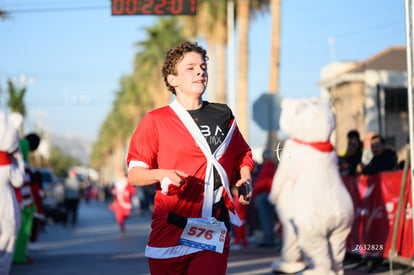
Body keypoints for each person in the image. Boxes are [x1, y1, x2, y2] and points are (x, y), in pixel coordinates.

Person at [127, 41, 254, 275]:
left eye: (203, 66)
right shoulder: (156, 120)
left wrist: (245, 177)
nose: (200, 71)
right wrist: (161, 173)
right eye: (191, 67)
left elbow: (242, 154)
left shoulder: (222, 114)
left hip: (213, 228)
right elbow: (135, 175)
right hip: (171, 227)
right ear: (172, 79)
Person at [0, 111, 25, 274]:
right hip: (5, 203)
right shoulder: (7, 163)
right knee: (9, 234)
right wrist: (20, 160)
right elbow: (19, 180)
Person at [253, 149, 278, 247]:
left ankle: (268, 239)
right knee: (270, 218)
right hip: (272, 195)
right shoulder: (273, 167)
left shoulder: (266, 167)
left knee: (265, 218)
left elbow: (261, 183)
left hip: (264, 195)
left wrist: (256, 193)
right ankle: (270, 238)